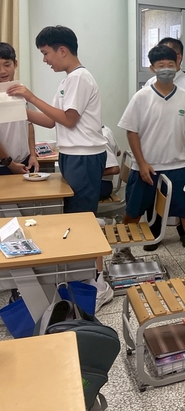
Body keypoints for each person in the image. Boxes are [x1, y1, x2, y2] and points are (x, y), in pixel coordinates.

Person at [7, 26, 112, 308]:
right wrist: (14, 108)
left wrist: (30, 96)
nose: (45, 60)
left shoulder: (79, 78)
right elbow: (51, 120)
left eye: (46, 53)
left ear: (62, 50)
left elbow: (68, 119)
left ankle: (98, 284)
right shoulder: (68, 80)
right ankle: (82, 278)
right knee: (75, 219)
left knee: (83, 221)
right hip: (72, 155)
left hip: (84, 157)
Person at [118, 45, 185, 269]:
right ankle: (122, 251)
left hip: (179, 165)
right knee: (133, 211)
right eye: (161, 65)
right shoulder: (142, 97)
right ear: (152, 68)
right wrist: (142, 163)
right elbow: (131, 132)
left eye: (170, 65)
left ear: (177, 66)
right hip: (146, 166)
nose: (166, 69)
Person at [143, 37, 185, 250]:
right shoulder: (149, 84)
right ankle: (154, 233)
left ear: (178, 57)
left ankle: (184, 234)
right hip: (155, 151)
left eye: (169, 56)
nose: (164, 63)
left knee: (183, 197)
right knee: (154, 195)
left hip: (182, 151)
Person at [0, 42, 39, 176]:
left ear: (15, 64)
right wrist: (10, 164)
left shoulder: (22, 91)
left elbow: (29, 124)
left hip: (25, 162)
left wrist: (32, 155)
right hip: (4, 165)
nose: (2, 71)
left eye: (7, 65)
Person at [99, 125, 120, 201]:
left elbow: (115, 169)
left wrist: (92, 174)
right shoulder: (106, 129)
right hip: (105, 184)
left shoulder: (100, 138)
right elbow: (118, 152)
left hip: (101, 185)